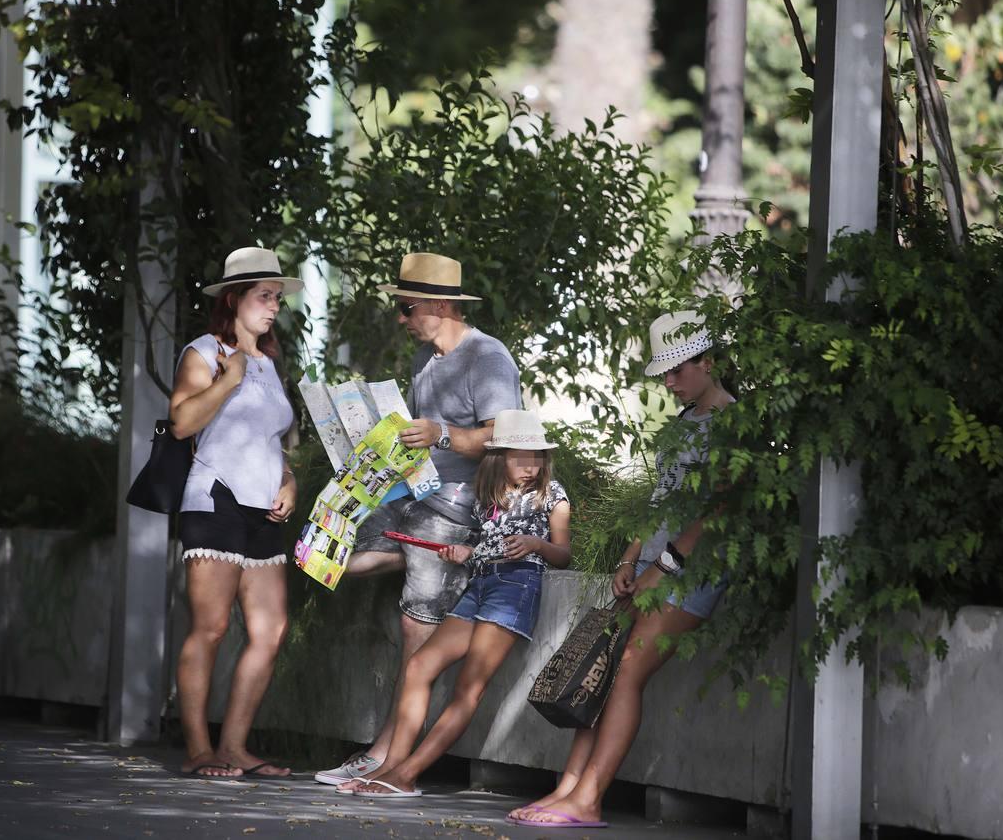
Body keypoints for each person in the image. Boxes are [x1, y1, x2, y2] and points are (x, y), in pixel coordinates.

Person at [507, 311, 734, 829]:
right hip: (654, 566)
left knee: (627, 668)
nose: (670, 382)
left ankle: (589, 799)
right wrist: (631, 560)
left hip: (692, 571)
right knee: (603, 671)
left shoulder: (732, 424)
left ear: (709, 362)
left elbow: (718, 512)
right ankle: (567, 789)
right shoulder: (682, 424)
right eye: (666, 374)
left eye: (678, 371)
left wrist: (666, 566)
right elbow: (657, 506)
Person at [314, 252, 523, 786]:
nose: (401, 320)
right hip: (414, 493)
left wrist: (443, 434)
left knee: (414, 627)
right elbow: (417, 438)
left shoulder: (488, 358)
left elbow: (506, 439)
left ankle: (386, 755)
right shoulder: (424, 360)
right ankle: (414, 561)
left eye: (406, 308)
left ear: (439, 304)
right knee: (328, 554)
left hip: (459, 504)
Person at [337, 410, 572, 798]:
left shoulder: (553, 495)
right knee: (418, 666)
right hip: (480, 583)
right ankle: (390, 769)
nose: (530, 466)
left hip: (515, 588)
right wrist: (466, 551)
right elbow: (488, 544)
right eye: (519, 456)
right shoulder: (488, 496)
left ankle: (407, 774)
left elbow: (563, 555)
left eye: (537, 457)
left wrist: (536, 545)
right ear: (499, 457)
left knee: (468, 688)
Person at [169, 247, 301, 779]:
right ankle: (199, 749)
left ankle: (235, 747)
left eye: (276, 298)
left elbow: (277, 443)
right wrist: (228, 379)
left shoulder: (270, 363)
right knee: (213, 627)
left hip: (263, 509)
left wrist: (291, 481)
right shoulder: (203, 352)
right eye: (263, 297)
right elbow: (180, 424)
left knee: (270, 629)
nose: (273, 307)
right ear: (234, 299)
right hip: (215, 500)